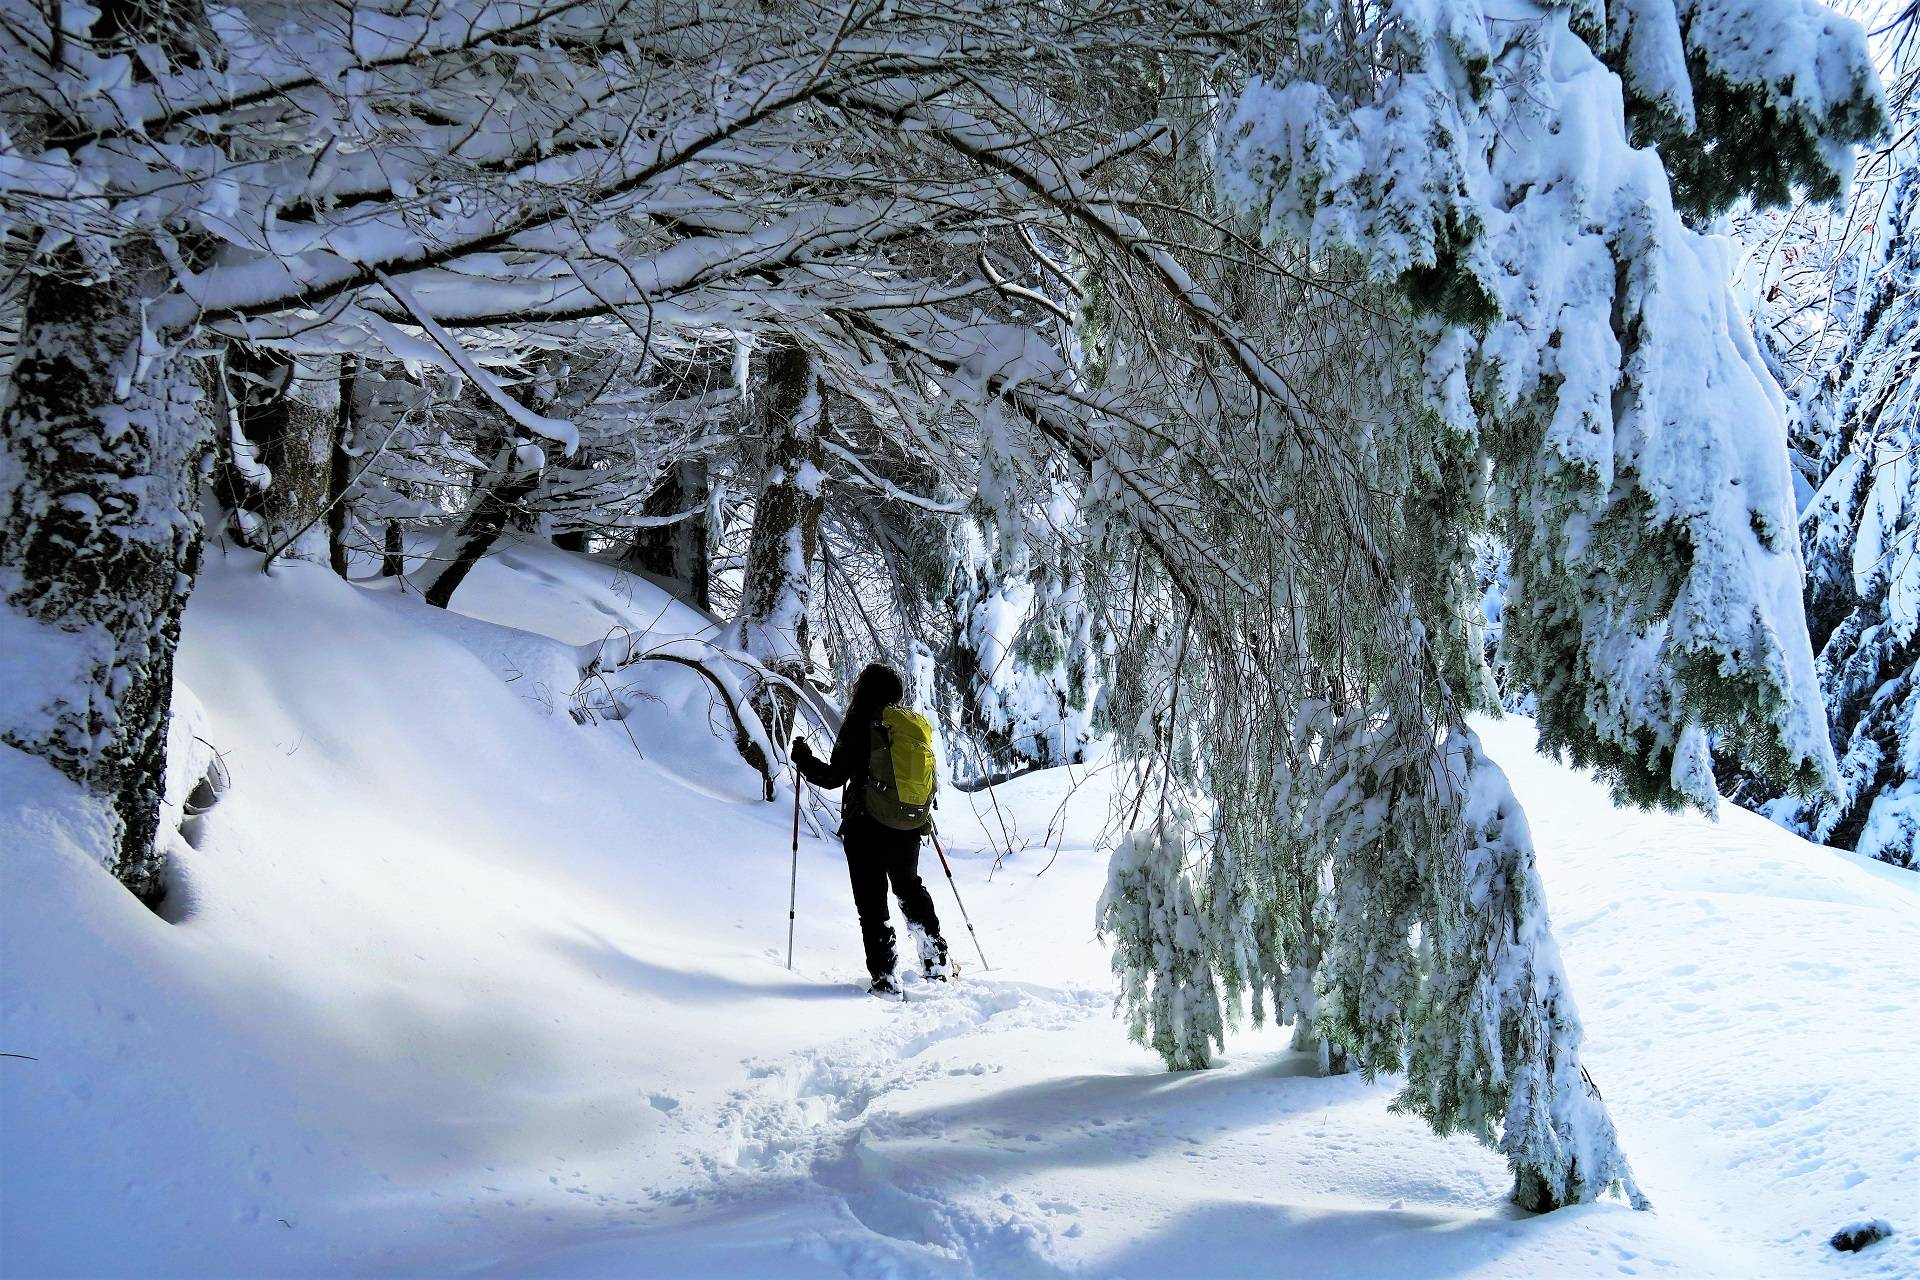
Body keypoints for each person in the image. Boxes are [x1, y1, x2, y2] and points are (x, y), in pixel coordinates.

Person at [793, 663, 953, 996]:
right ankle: (935, 960)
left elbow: (834, 777)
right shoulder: (907, 726)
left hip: (865, 823)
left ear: (863, 690)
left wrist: (803, 758)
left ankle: (885, 976)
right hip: (907, 824)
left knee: (871, 902)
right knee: (909, 887)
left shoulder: (859, 724)